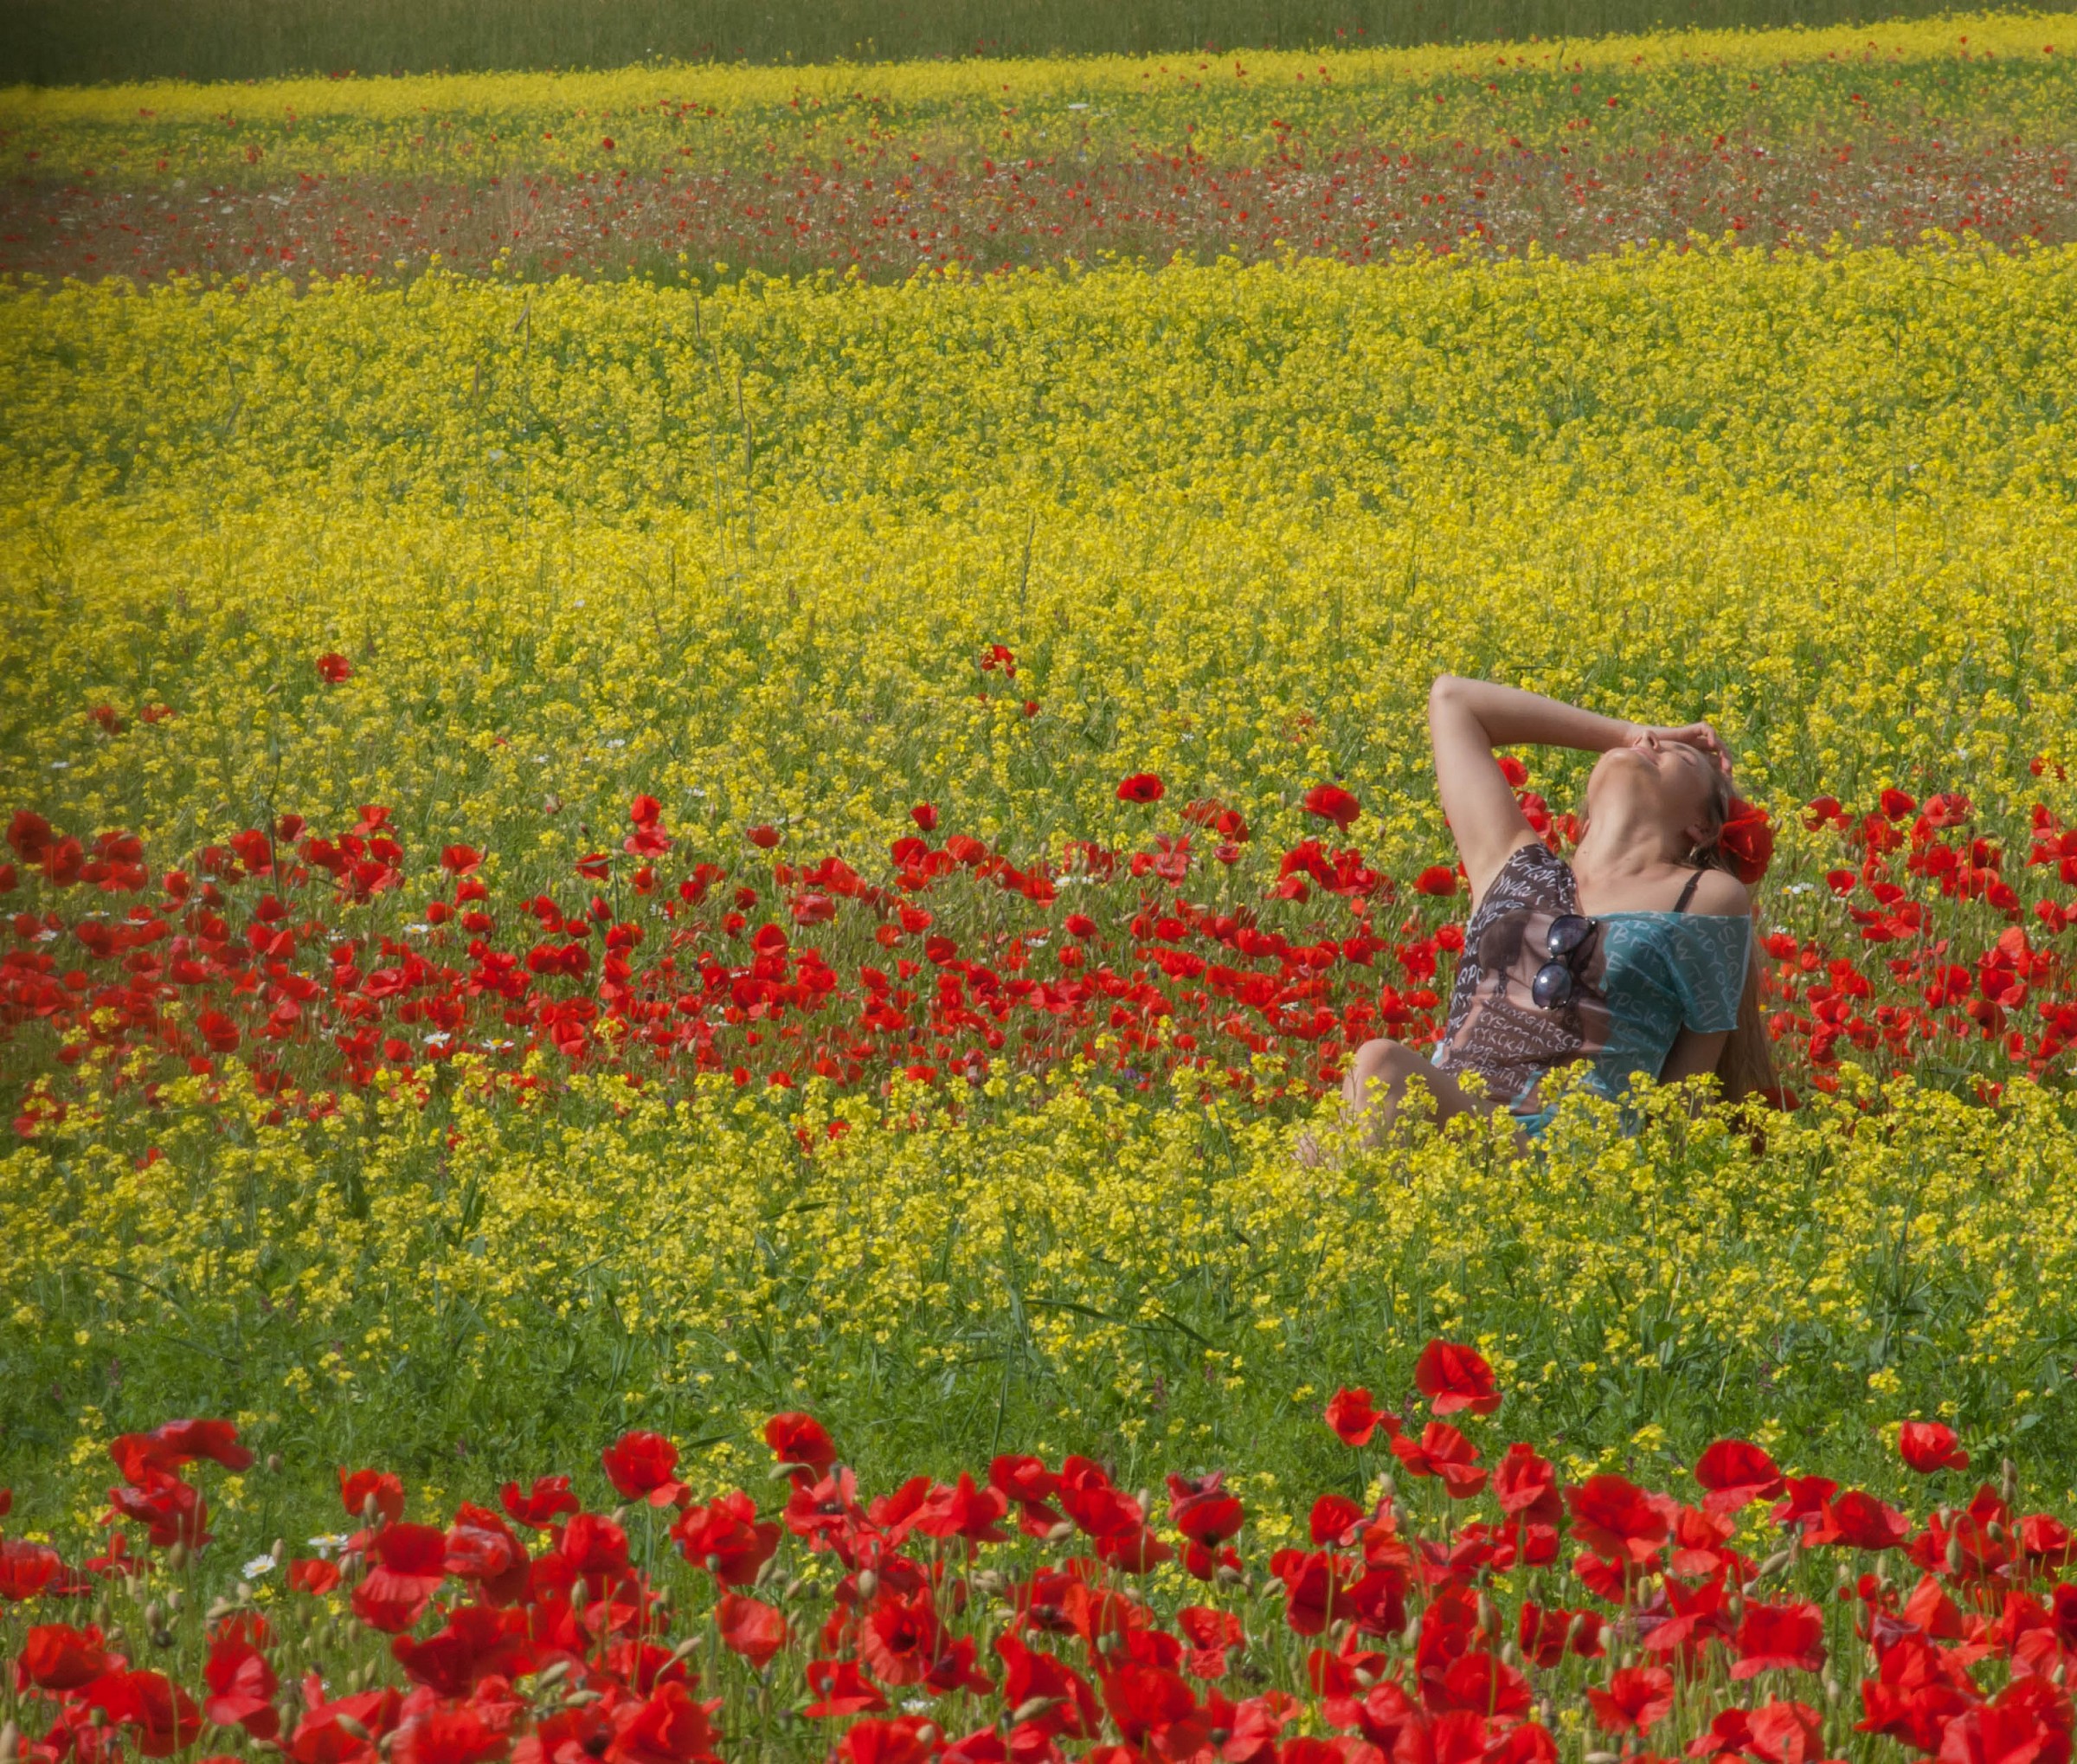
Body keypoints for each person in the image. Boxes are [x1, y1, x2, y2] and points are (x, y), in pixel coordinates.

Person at [1333, 674, 1773, 1148]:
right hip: (1454, 1117)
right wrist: (1627, 733)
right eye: (1652, 742)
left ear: (1703, 826)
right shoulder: (1513, 863)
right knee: (1342, 1114)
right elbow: (1452, 700)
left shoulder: (1705, 896)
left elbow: (1690, 1084)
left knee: (1378, 1065)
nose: (1654, 743)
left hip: (1562, 1146)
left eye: (1681, 754)